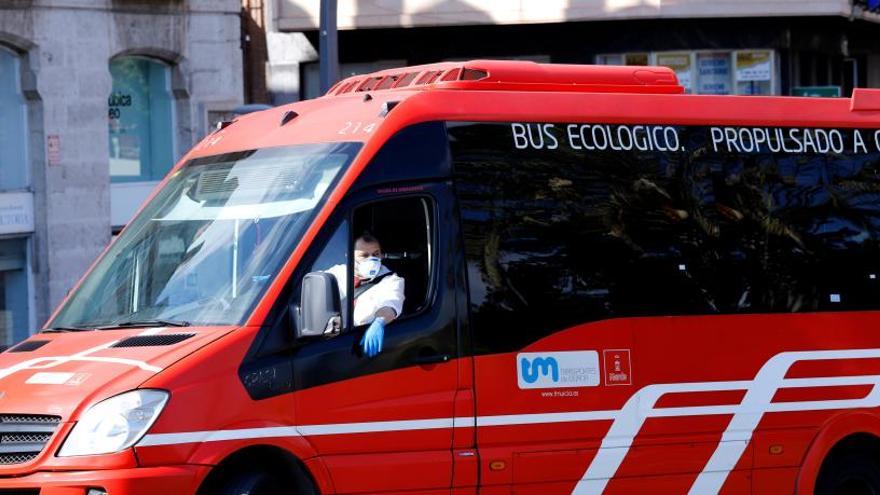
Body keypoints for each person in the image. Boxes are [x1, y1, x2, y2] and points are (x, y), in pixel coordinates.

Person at [326, 233, 405, 357]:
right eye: (365, 255)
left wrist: (380, 321)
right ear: (350, 256)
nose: (372, 259)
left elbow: (392, 303)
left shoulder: (391, 280)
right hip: (331, 342)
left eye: (376, 254)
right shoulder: (337, 273)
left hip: (358, 343)